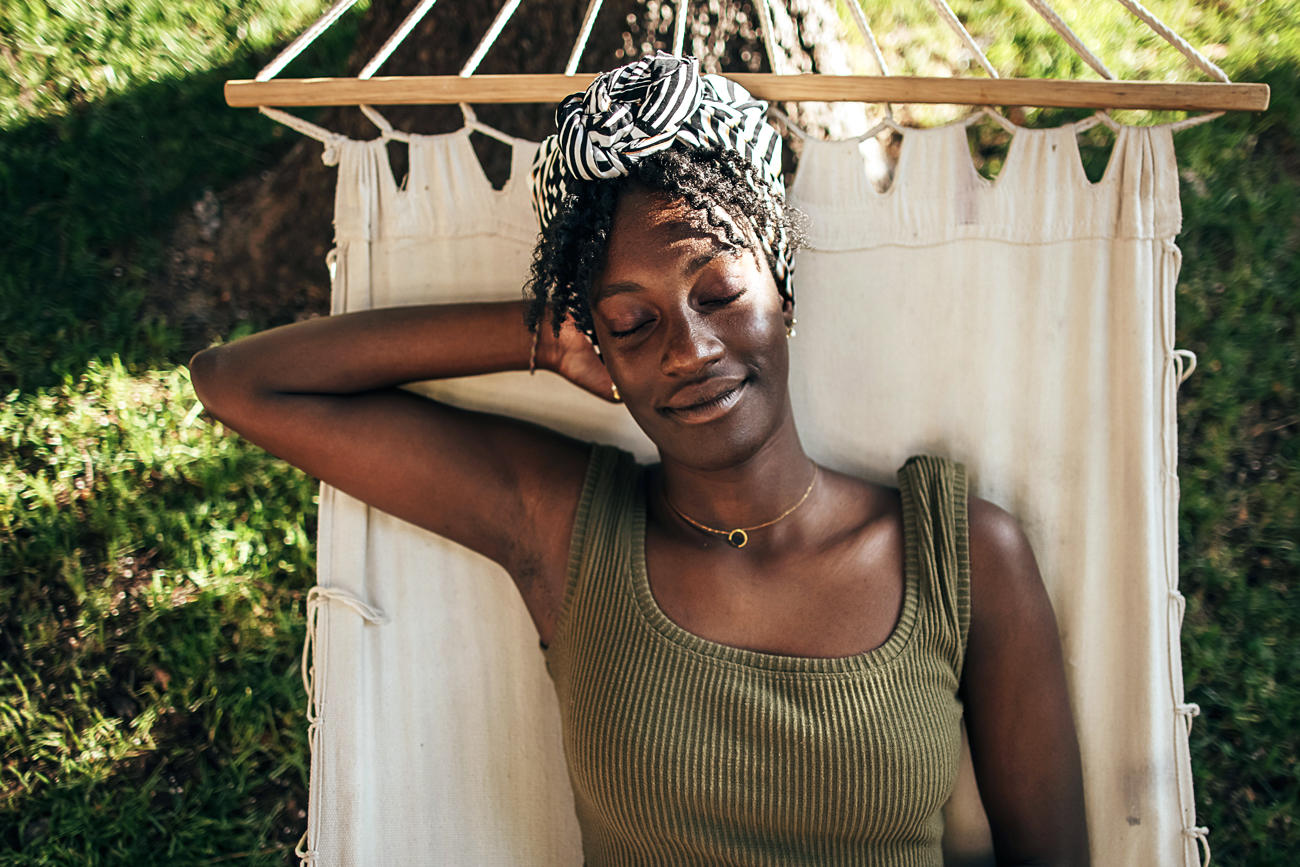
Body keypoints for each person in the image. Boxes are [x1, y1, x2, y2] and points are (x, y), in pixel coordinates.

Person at [190, 54, 1088, 867]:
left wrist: (618, 317)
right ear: (601, 349)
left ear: (783, 287)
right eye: (632, 321)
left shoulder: (958, 553)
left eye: (720, 293)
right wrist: (539, 335)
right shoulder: (565, 528)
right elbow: (242, 383)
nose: (690, 348)